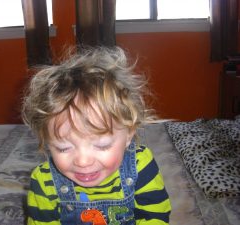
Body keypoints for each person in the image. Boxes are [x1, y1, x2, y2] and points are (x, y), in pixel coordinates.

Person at [22, 47, 171, 225]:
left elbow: (155, 217)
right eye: (63, 148)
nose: (83, 162)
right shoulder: (44, 182)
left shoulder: (141, 166)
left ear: (129, 134)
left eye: (102, 145)